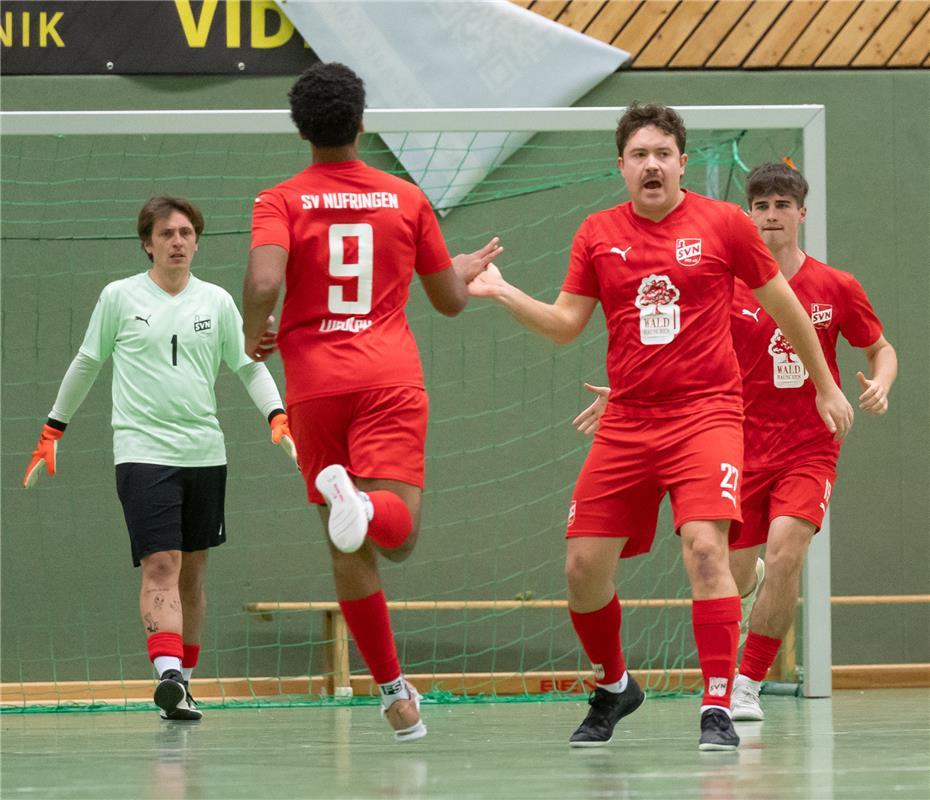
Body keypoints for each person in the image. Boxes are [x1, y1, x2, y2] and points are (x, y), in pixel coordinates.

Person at [467, 104, 853, 751]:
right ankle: (616, 686)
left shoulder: (724, 224)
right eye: (638, 154)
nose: (651, 164)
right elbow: (567, 323)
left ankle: (718, 706)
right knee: (582, 568)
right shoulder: (596, 234)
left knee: (706, 550)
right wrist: (503, 292)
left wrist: (825, 383)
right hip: (628, 423)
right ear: (620, 166)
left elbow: (784, 305)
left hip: (706, 416)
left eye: (662, 153)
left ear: (680, 161)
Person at [572, 161, 896, 725]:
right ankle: (732, 629)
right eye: (762, 206)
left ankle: (744, 684)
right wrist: (621, 394)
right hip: (736, 443)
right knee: (730, 569)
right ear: (750, 215)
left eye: (783, 206)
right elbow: (670, 346)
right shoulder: (728, 284)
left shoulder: (836, 286)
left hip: (807, 447)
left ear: (802, 214)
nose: (772, 216)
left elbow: (881, 348)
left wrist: (879, 385)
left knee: (787, 549)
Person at [241, 62, 501, 742]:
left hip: (313, 384)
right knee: (399, 534)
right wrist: (462, 270)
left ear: (303, 130)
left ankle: (394, 695)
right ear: (361, 122)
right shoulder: (404, 198)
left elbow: (266, 281)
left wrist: (250, 333)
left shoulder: (279, 200)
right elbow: (448, 302)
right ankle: (364, 511)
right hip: (387, 378)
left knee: (345, 540)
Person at [23, 196, 296, 722]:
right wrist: (52, 428)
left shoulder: (215, 301)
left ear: (196, 241)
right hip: (143, 453)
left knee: (192, 573)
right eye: (166, 233)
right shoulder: (119, 297)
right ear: (147, 242)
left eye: (186, 233)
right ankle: (168, 673)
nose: (177, 241)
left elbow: (248, 365)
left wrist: (276, 416)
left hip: (205, 453)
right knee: (161, 564)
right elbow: (87, 362)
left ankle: (184, 688)